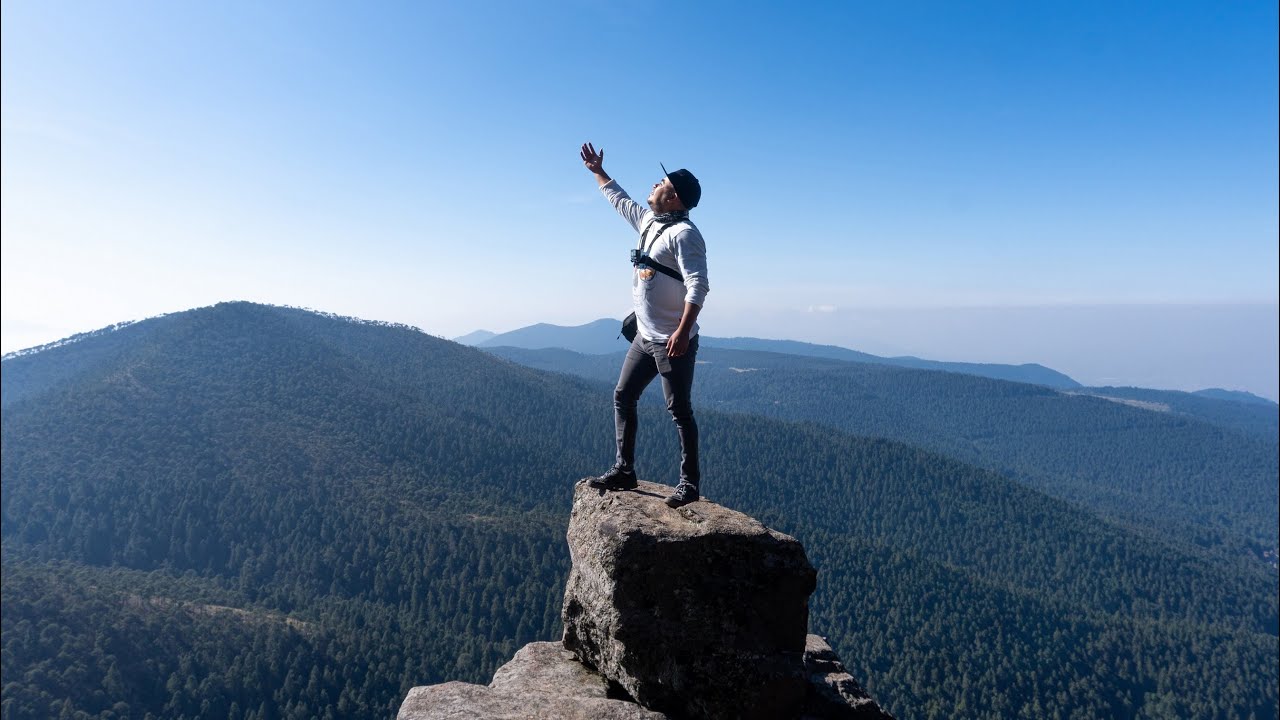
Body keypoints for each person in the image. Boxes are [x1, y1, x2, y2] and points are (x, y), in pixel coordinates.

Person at [578, 142, 709, 509]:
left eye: (661, 182)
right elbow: (620, 200)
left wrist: (683, 332)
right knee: (623, 396)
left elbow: (698, 284)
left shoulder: (685, 235)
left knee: (679, 410)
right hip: (645, 336)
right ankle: (625, 469)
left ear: (675, 199)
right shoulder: (651, 221)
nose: (653, 184)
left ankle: (689, 484)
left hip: (671, 341)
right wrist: (598, 172)